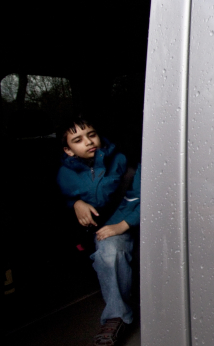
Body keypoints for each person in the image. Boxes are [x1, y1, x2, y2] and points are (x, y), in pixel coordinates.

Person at [57, 114, 140, 346]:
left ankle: (116, 315)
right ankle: (117, 314)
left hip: (125, 219)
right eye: (78, 139)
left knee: (110, 251)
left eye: (91, 135)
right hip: (100, 226)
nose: (88, 141)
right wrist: (75, 204)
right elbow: (64, 198)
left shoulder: (121, 160)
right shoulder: (65, 173)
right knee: (106, 251)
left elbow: (139, 195)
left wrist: (123, 224)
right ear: (69, 150)